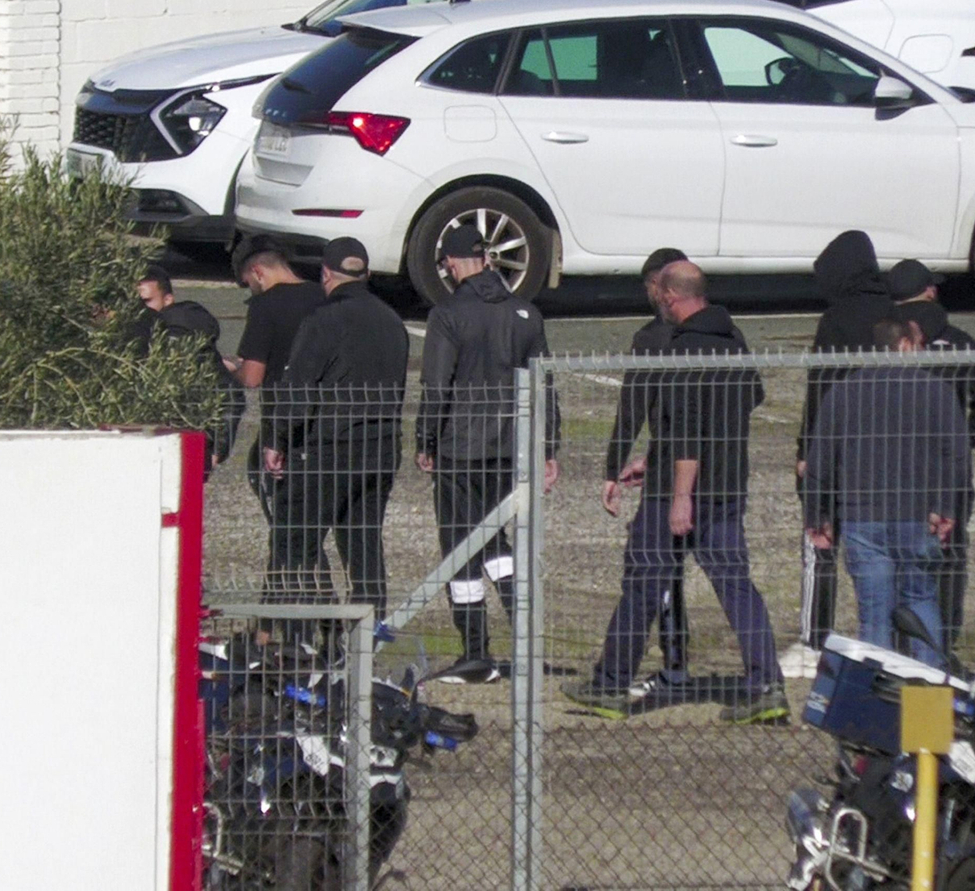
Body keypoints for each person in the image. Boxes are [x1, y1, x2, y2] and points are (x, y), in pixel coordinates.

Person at [564, 262, 786, 722]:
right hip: (726, 484)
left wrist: (681, 492)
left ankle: (610, 685)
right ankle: (767, 686)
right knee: (736, 584)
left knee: (643, 582)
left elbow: (686, 430)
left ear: (668, 296)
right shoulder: (733, 340)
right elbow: (752, 397)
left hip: (676, 494)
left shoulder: (683, 348)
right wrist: (656, 458)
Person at [416, 223, 559, 684]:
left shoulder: (447, 314)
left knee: (461, 549)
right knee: (496, 542)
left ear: (450, 264)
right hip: (509, 449)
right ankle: (524, 637)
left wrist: (425, 440)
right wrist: (549, 446)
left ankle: (475, 652)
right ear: (487, 260)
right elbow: (545, 385)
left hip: (459, 451)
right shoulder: (526, 312)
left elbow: (436, 384)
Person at [802, 317, 970, 666]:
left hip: (861, 516)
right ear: (905, 344)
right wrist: (946, 507)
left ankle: (879, 694)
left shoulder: (843, 392)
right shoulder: (936, 390)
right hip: (918, 515)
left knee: (874, 614)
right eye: (918, 345)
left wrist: (818, 515)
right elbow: (956, 456)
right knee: (921, 601)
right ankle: (926, 693)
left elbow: (820, 460)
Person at [264, 237, 408, 621]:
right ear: (367, 274)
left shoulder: (324, 320)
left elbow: (299, 388)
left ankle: (297, 636)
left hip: (330, 448)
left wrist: (278, 438)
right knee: (364, 546)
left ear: (326, 274)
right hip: (380, 446)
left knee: (297, 543)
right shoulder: (392, 321)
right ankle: (369, 632)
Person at [788, 230, 896, 678]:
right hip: (891, 451)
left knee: (819, 541)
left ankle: (814, 639)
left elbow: (821, 387)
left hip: (838, 447)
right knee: (884, 552)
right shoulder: (895, 313)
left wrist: (807, 448)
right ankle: (892, 642)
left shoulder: (836, 320)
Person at [602, 247, 693, 700]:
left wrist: (612, 467)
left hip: (670, 476)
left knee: (652, 569)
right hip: (719, 470)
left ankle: (646, 670)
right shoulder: (725, 331)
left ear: (659, 286)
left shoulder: (652, 339)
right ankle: (761, 675)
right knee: (728, 576)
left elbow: (632, 408)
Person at [889, 258, 975, 650]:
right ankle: (942, 641)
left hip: (893, 463)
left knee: (894, 555)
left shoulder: (882, 338)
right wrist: (966, 436)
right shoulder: (960, 341)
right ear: (930, 291)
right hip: (948, 467)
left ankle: (899, 641)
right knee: (950, 555)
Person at [232, 237, 327, 527]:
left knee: (285, 516)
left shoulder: (264, 305)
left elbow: (252, 377)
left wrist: (232, 369)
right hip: (328, 418)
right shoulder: (323, 295)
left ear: (258, 272)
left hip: (282, 423)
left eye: (248, 282)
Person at [136, 265, 245, 474]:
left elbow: (227, 393)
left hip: (188, 439)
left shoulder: (181, 333)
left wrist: (216, 450)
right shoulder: (149, 332)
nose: (142, 310)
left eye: (147, 302)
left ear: (168, 300)